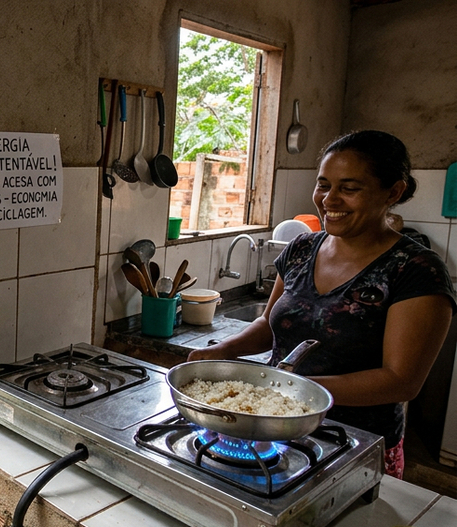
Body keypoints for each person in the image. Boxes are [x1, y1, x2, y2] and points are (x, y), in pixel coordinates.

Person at [187, 130, 456, 477]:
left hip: (355, 444)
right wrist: (223, 351)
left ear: (393, 192)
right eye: (323, 185)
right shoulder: (300, 249)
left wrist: (289, 392)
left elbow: (401, 381)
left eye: (349, 188)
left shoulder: (415, 271)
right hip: (270, 430)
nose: (329, 199)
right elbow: (269, 326)